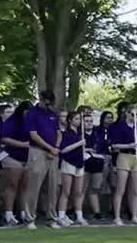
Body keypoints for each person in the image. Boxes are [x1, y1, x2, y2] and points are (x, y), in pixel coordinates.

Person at [21, 91, 61, 227]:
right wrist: (49, 148)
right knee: (34, 186)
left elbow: (58, 133)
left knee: (52, 188)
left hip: (53, 153)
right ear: (41, 99)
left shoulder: (53, 114)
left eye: (50, 103)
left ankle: (52, 218)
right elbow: (33, 135)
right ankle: (30, 218)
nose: (47, 105)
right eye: (46, 102)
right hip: (37, 152)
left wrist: (55, 148)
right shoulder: (32, 113)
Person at [107, 104, 137, 227]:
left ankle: (134, 216)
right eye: (133, 114)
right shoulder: (120, 127)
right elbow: (114, 145)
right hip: (124, 156)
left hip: (136, 157)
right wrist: (129, 145)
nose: (136, 117)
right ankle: (117, 217)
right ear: (127, 114)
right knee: (120, 189)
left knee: (135, 190)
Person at [56, 110, 88, 226]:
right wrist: (79, 144)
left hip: (79, 163)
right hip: (68, 163)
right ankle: (61, 216)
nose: (79, 121)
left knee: (78, 192)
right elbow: (63, 150)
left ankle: (79, 216)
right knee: (66, 191)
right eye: (76, 119)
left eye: (79, 119)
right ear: (70, 120)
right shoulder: (65, 133)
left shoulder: (80, 133)